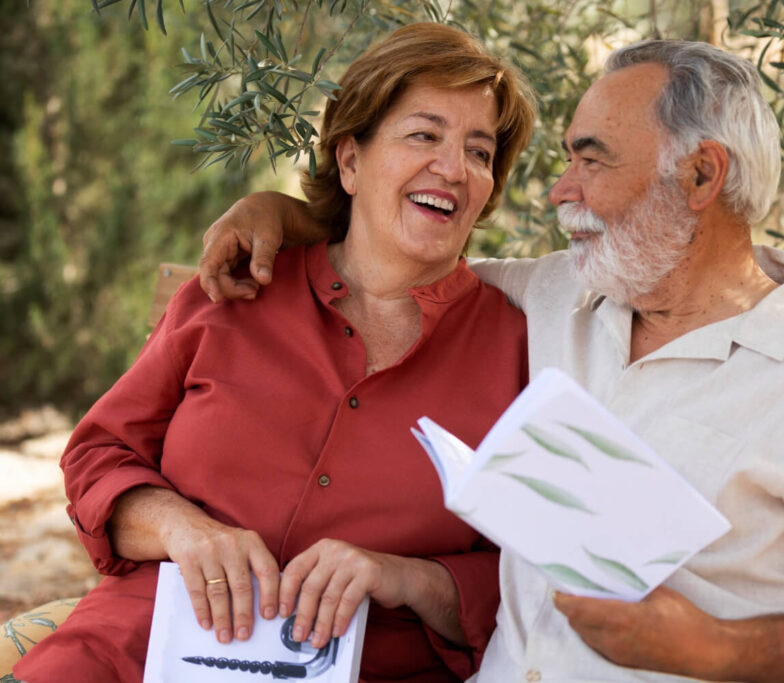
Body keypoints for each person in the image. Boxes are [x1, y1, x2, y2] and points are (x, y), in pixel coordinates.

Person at [195, 39, 784, 682]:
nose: (558, 191)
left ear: (702, 174)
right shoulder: (563, 293)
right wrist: (282, 213)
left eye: (591, 161)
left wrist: (720, 648)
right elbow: (395, 247)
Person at [14, 23, 536, 683]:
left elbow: (530, 571)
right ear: (350, 161)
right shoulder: (236, 288)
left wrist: (405, 576)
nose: (455, 169)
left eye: (480, 150)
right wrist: (180, 526)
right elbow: (97, 456)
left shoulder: (515, 348)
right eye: (424, 135)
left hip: (372, 665)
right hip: (140, 648)